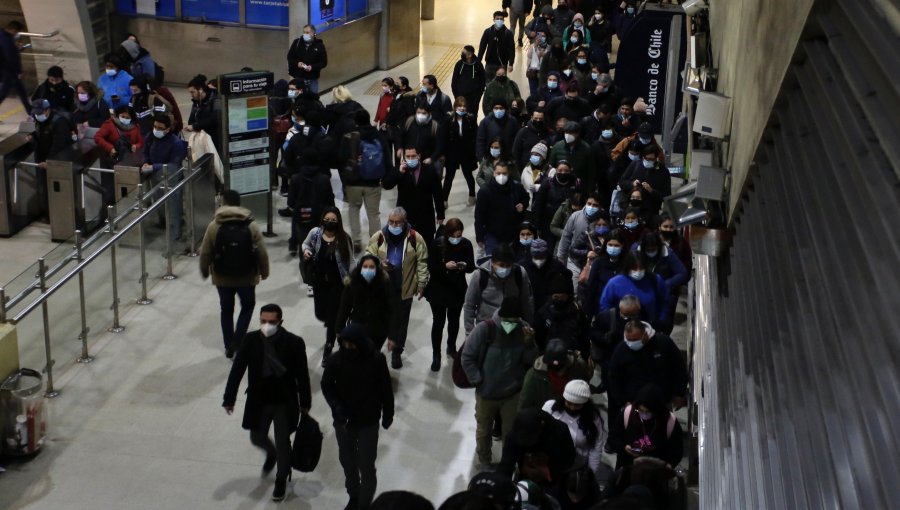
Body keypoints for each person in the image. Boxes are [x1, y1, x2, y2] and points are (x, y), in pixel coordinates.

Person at [222, 304, 311, 502]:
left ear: (280, 322)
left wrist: (305, 402)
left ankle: (281, 480)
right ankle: (271, 453)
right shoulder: (251, 340)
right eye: (263, 321)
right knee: (257, 437)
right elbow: (237, 370)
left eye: (271, 322)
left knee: (283, 443)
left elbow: (302, 375)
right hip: (259, 400)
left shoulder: (294, 343)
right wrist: (229, 398)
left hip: (283, 401)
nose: (267, 325)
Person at [321, 322, 394, 510]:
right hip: (344, 420)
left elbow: (386, 389)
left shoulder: (376, 360)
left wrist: (388, 414)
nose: (348, 347)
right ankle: (354, 495)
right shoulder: (335, 360)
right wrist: (336, 406)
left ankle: (364, 503)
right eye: (344, 343)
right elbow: (326, 385)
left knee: (367, 464)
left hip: (368, 420)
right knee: (347, 460)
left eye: (351, 344)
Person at [462, 297, 539, 470]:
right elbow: (467, 356)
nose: (510, 325)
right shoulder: (485, 329)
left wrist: (529, 344)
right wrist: (478, 380)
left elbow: (532, 360)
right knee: (484, 431)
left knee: (510, 432)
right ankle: (484, 461)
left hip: (512, 393)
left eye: (514, 321)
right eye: (507, 321)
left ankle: (507, 463)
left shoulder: (523, 330)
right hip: (487, 393)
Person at [199, 190, 269, 357]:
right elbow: (262, 252)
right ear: (239, 203)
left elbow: (206, 252)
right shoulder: (251, 225)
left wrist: (204, 270)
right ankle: (238, 340)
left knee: (226, 310)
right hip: (247, 276)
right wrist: (264, 272)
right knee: (247, 306)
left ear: (222, 203)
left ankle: (229, 345)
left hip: (222, 277)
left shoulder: (214, 226)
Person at [365, 207, 430, 369]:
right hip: (381, 291)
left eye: (397, 222)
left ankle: (396, 352)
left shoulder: (416, 239)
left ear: (404, 222)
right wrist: (379, 265)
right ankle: (375, 351)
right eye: (391, 222)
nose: (393, 225)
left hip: (404, 289)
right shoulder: (378, 237)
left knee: (401, 324)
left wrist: (421, 283)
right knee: (379, 321)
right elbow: (368, 258)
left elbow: (422, 262)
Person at [303, 207, 354, 366]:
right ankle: (334, 326)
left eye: (333, 220)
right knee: (321, 313)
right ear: (322, 219)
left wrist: (354, 280)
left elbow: (351, 261)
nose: (330, 223)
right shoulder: (315, 234)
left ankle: (329, 346)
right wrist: (306, 251)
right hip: (319, 283)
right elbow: (305, 244)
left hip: (337, 285)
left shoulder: (344, 238)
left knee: (332, 319)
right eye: (327, 219)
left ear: (338, 222)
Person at [424, 218, 476, 370]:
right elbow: (431, 267)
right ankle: (436, 354)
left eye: (459, 235)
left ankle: (451, 346)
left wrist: (464, 267)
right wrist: (444, 266)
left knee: (453, 321)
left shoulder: (466, 244)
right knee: (438, 322)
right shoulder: (437, 244)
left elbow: (471, 267)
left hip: (457, 289)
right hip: (438, 289)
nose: (456, 239)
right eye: (453, 236)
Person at [607, 320, 688, 415]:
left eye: (635, 340)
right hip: (634, 405)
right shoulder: (621, 350)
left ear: (645, 334)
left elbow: (678, 367)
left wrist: (679, 393)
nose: (631, 343)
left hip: (662, 402)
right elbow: (613, 377)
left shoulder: (663, 343)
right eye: (629, 340)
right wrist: (622, 401)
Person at [340, 109, 391, 253]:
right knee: (373, 213)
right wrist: (386, 177)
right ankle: (375, 242)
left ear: (355, 121)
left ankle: (356, 241)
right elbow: (387, 156)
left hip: (353, 182)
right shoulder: (378, 135)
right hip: (373, 182)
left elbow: (341, 157)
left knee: (354, 209)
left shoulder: (349, 136)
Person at [543, 380, 608, 487]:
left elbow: (596, 447)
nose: (572, 408)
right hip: (551, 462)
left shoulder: (593, 419)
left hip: (576, 466)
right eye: (569, 403)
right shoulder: (550, 408)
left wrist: (591, 474)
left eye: (577, 405)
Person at [463, 244, 534, 336]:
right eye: (501, 265)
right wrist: (470, 334)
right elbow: (469, 305)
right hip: (487, 329)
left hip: (513, 327)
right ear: (492, 262)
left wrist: (528, 325)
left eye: (508, 265)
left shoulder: (520, 274)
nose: (505, 268)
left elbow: (527, 302)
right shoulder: (480, 275)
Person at [607, 384, 684, 469]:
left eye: (647, 412)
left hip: (655, 474)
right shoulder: (628, 414)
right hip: (628, 470)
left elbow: (677, 452)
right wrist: (624, 448)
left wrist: (664, 467)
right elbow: (613, 439)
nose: (644, 414)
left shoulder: (669, 422)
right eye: (640, 410)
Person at [382, 146, 445, 244]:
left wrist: (440, 214)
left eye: (413, 156)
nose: (411, 159)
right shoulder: (399, 169)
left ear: (419, 156)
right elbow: (386, 185)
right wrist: (399, 172)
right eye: (408, 156)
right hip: (406, 218)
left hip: (425, 217)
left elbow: (437, 193)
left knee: (426, 247)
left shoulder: (429, 170)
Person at [141, 114, 188, 244]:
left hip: (171, 177)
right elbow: (145, 152)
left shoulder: (176, 143)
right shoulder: (150, 136)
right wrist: (145, 162)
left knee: (173, 206)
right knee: (159, 203)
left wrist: (154, 166)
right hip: (155, 176)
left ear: (167, 129)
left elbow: (174, 164)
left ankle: (175, 234)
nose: (156, 130)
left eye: (160, 128)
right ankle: (164, 224)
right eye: (155, 126)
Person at [498, 407, 576, 485]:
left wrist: (546, 470)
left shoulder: (560, 431)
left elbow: (568, 459)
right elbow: (506, 465)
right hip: (525, 477)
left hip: (553, 478)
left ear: (542, 425)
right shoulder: (514, 436)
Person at [335, 255, 395, 351]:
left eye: (371, 267)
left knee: (373, 356)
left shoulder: (384, 284)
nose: (368, 270)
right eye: (365, 267)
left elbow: (391, 310)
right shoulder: (352, 284)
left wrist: (392, 336)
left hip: (378, 330)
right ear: (360, 268)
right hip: (357, 329)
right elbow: (344, 308)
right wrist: (339, 329)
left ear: (377, 269)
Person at [633, 233, 688, 334]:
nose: (650, 252)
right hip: (640, 295)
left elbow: (682, 273)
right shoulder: (635, 252)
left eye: (653, 250)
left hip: (662, 297)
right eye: (648, 250)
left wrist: (666, 284)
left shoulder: (667, 254)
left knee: (663, 326)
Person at [473, 161, 529, 256]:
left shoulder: (516, 187)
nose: (501, 176)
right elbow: (479, 216)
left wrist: (523, 205)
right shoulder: (485, 191)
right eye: (498, 173)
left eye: (504, 173)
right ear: (494, 173)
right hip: (492, 234)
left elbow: (526, 197)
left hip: (512, 233)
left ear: (509, 173)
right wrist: (479, 237)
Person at [520, 337, 591, 409]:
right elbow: (525, 401)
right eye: (552, 368)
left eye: (560, 367)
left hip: (571, 410)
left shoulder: (578, 367)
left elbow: (585, 389)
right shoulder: (534, 374)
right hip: (546, 412)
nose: (558, 372)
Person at [590, 294, 643, 392]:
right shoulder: (606, 317)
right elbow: (593, 332)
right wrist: (604, 337)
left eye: (633, 315)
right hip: (609, 357)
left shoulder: (643, 318)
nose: (629, 318)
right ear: (620, 309)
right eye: (626, 315)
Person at [600, 251, 667, 326]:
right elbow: (605, 306)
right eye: (634, 268)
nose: (638, 271)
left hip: (649, 325)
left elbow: (665, 302)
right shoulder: (614, 283)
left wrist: (661, 320)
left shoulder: (655, 280)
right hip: (621, 327)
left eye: (641, 268)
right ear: (628, 267)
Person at [289, 150, 335, 259]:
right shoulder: (324, 179)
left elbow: (290, 202)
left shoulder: (295, 179)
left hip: (302, 218)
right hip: (320, 217)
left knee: (304, 246)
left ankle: (305, 268)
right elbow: (330, 201)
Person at [532, 159, 582, 247]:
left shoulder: (576, 183)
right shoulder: (547, 183)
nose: (563, 173)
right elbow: (538, 204)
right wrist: (537, 225)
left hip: (568, 223)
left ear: (570, 171)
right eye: (560, 170)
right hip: (548, 222)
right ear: (556, 170)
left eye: (566, 171)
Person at [534, 276, 588, 354]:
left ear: (568, 297)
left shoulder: (577, 313)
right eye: (556, 297)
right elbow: (538, 338)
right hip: (548, 356)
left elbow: (584, 338)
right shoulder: (543, 314)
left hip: (571, 356)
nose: (559, 300)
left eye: (562, 297)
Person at [556, 194, 605, 280]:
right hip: (574, 261)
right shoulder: (575, 216)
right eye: (589, 204)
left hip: (594, 264)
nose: (591, 207)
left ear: (600, 207)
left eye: (595, 205)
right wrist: (561, 259)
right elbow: (566, 238)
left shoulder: (603, 221)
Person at [443, 97, 478, 205]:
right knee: (449, 176)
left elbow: (476, 135)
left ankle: (472, 195)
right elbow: (443, 137)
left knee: (468, 174)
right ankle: (444, 200)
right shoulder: (448, 119)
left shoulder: (470, 119)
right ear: (455, 107)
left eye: (464, 106)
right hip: (452, 151)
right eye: (459, 106)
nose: (462, 108)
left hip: (466, 152)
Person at [618, 145, 672, 215]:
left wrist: (651, 191)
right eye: (646, 158)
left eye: (651, 159)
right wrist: (632, 184)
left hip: (651, 210)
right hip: (632, 208)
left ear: (656, 158)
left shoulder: (663, 172)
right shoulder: (635, 164)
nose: (648, 161)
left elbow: (666, 196)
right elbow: (622, 182)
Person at [521, 239, 571, 312]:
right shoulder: (524, 266)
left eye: (541, 257)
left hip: (551, 308)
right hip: (530, 305)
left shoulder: (556, 266)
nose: (538, 260)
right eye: (536, 257)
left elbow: (568, 280)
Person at [397, 104, 444, 174]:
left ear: (429, 113)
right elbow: (400, 136)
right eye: (418, 113)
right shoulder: (409, 122)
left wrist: (432, 158)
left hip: (426, 162)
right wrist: (399, 147)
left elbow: (440, 146)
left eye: (423, 113)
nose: (420, 115)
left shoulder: (435, 126)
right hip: (410, 159)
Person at [0, 21, 30, 114]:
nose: (16, 34)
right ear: (12, 30)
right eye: (16, 32)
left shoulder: (3, 35)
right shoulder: (6, 39)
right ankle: (31, 112)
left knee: (21, 92)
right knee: (4, 93)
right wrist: (18, 71)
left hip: (7, 69)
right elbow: (11, 56)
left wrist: (16, 48)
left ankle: (31, 112)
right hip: (8, 70)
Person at [287, 24, 328, 93]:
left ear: (313, 33)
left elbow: (323, 62)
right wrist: (297, 63)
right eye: (304, 32)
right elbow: (290, 57)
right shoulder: (297, 43)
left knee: (313, 99)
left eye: (307, 32)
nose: (305, 34)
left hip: (312, 78)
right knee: (297, 99)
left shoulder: (319, 45)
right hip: (298, 77)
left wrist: (312, 67)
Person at [186, 74, 221, 153]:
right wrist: (192, 126)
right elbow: (191, 120)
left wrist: (195, 126)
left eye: (192, 92)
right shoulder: (196, 102)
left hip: (215, 139)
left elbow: (215, 118)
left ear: (200, 90)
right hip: (202, 139)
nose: (191, 95)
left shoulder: (216, 99)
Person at [451, 45, 487, 119]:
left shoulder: (478, 65)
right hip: (460, 97)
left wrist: (477, 97)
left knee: (472, 117)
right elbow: (454, 81)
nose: (462, 55)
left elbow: (482, 82)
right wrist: (457, 96)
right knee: (459, 117)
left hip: (473, 99)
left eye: (464, 53)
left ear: (470, 55)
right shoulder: (459, 64)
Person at [478, 11, 516, 79]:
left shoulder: (508, 33)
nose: (499, 20)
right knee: (488, 84)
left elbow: (511, 49)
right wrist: (479, 60)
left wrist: (511, 63)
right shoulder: (488, 32)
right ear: (494, 20)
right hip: (490, 63)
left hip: (502, 64)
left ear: (504, 20)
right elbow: (482, 47)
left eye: (501, 19)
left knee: (501, 84)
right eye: (497, 18)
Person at [520, 141, 551, 206]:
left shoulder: (550, 170)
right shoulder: (527, 168)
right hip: (527, 205)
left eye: (537, 155)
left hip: (541, 205)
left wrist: (539, 187)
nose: (533, 156)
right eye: (532, 154)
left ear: (543, 157)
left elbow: (552, 187)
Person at [524, 31, 550, 97]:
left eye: (544, 36)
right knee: (533, 92)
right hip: (533, 73)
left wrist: (545, 55)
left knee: (542, 93)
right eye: (540, 36)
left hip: (544, 74)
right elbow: (529, 55)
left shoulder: (549, 47)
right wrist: (536, 45)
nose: (542, 38)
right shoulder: (532, 46)